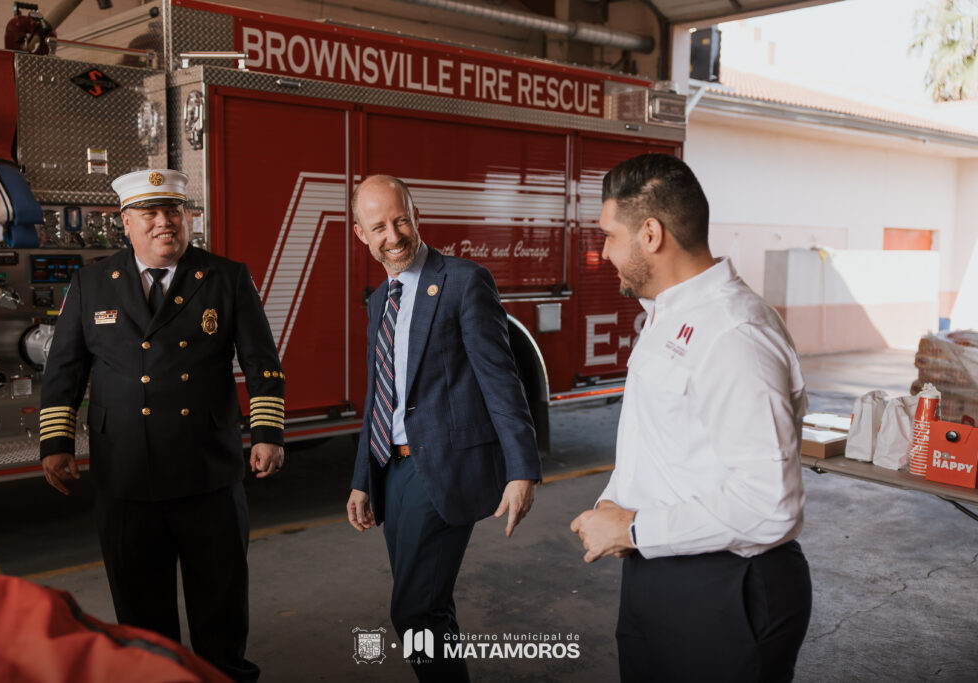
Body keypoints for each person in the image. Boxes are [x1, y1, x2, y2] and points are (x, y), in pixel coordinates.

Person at [570, 154, 812, 683]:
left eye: (609, 235)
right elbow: (663, 436)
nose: (602, 250)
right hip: (661, 572)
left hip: (727, 592)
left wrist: (633, 528)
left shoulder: (735, 335)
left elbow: (770, 502)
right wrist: (618, 498)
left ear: (650, 235)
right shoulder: (667, 315)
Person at [39, 169, 285, 683]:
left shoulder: (225, 277)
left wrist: (266, 434)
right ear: (125, 223)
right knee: (141, 614)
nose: (163, 223)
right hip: (126, 476)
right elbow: (65, 369)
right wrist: (56, 443)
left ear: (188, 217)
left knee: (220, 607)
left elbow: (262, 362)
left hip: (208, 473)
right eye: (149, 214)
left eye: (173, 211)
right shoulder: (90, 283)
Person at [345, 175, 542, 682]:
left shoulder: (463, 280)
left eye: (401, 219)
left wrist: (522, 470)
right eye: (379, 227)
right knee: (430, 606)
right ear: (360, 234)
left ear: (416, 213)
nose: (393, 235)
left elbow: (502, 382)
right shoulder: (379, 299)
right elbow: (377, 395)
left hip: (444, 468)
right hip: (394, 471)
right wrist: (363, 478)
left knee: (415, 612)